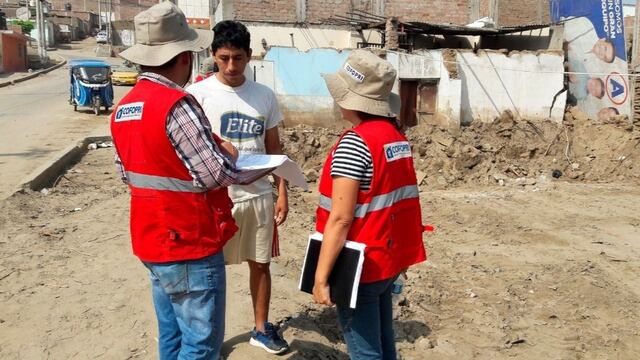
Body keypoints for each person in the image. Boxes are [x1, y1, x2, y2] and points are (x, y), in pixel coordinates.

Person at [110, 3, 240, 359]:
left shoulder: (124, 107)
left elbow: (127, 173)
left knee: (171, 335)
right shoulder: (178, 104)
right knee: (200, 344)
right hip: (188, 241)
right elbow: (214, 174)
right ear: (184, 57)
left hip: (151, 238)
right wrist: (231, 155)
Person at [312, 49, 428, 359]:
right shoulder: (395, 138)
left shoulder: (355, 143)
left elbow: (341, 219)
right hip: (386, 260)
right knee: (384, 344)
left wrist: (321, 277)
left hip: (358, 266)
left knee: (365, 352)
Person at [186, 20, 290, 355]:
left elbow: (275, 150)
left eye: (239, 58)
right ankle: (209, 341)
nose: (232, 66)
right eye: (225, 58)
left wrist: (282, 193)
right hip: (215, 198)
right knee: (207, 271)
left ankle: (261, 329)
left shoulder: (264, 96)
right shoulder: (196, 95)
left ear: (250, 57)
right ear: (213, 55)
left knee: (260, 264)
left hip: (258, 196)